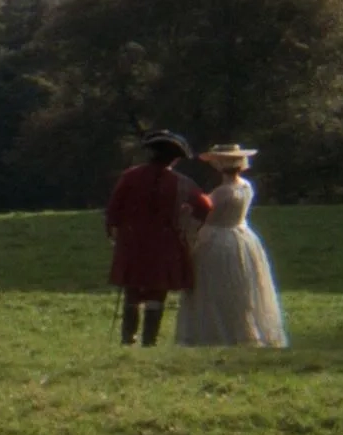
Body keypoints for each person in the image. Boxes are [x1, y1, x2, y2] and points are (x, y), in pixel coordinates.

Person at [106, 129, 213, 347]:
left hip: (132, 241)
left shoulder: (130, 176)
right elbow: (205, 206)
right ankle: (149, 340)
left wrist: (115, 232)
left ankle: (128, 338)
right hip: (165, 243)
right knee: (157, 291)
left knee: (132, 290)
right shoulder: (181, 182)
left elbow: (113, 210)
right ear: (174, 158)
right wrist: (187, 223)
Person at [176, 144, 288, 347]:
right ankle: (243, 330)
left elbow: (205, 215)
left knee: (214, 285)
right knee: (240, 285)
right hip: (242, 236)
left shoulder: (221, 192)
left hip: (218, 239)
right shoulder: (246, 186)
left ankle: (216, 332)